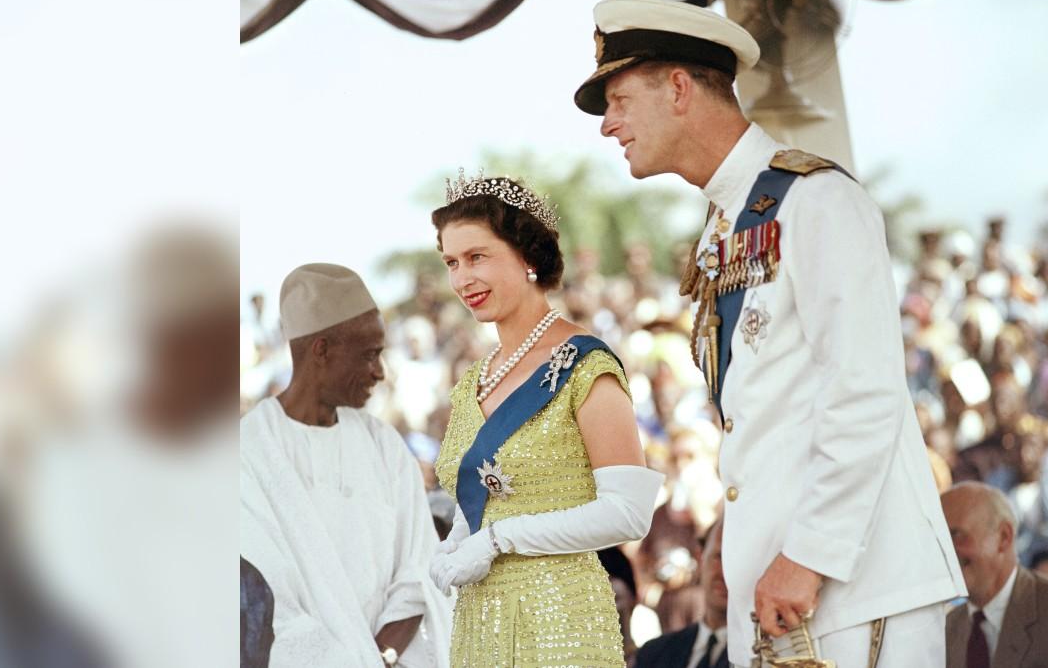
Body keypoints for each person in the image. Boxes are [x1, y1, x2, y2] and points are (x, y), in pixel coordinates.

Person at [573, 0, 967, 665]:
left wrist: (808, 555)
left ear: (678, 88)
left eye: (619, 100)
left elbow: (865, 392)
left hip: (855, 586)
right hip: (783, 591)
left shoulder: (817, 201)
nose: (609, 124)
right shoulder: (723, 227)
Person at [427, 171, 665, 667]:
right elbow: (483, 497)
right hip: (480, 626)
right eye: (452, 262)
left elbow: (629, 512)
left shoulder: (585, 364)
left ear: (528, 257)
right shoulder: (473, 381)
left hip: (562, 621)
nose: (462, 278)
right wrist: (457, 541)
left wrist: (500, 539)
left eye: (477, 257)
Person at [240, 263, 451, 666]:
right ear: (321, 350)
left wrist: (381, 657)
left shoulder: (383, 444)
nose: (380, 372)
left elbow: (420, 571)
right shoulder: (249, 453)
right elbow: (266, 603)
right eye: (369, 355)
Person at [941, 482, 1048, 668]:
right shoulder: (947, 630)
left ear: (1003, 537)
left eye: (956, 536)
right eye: (938, 541)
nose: (944, 553)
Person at [635, 520, 729, 668]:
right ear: (700, 557)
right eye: (720, 557)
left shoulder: (761, 657)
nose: (725, 573)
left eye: (738, 563)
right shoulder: (653, 654)